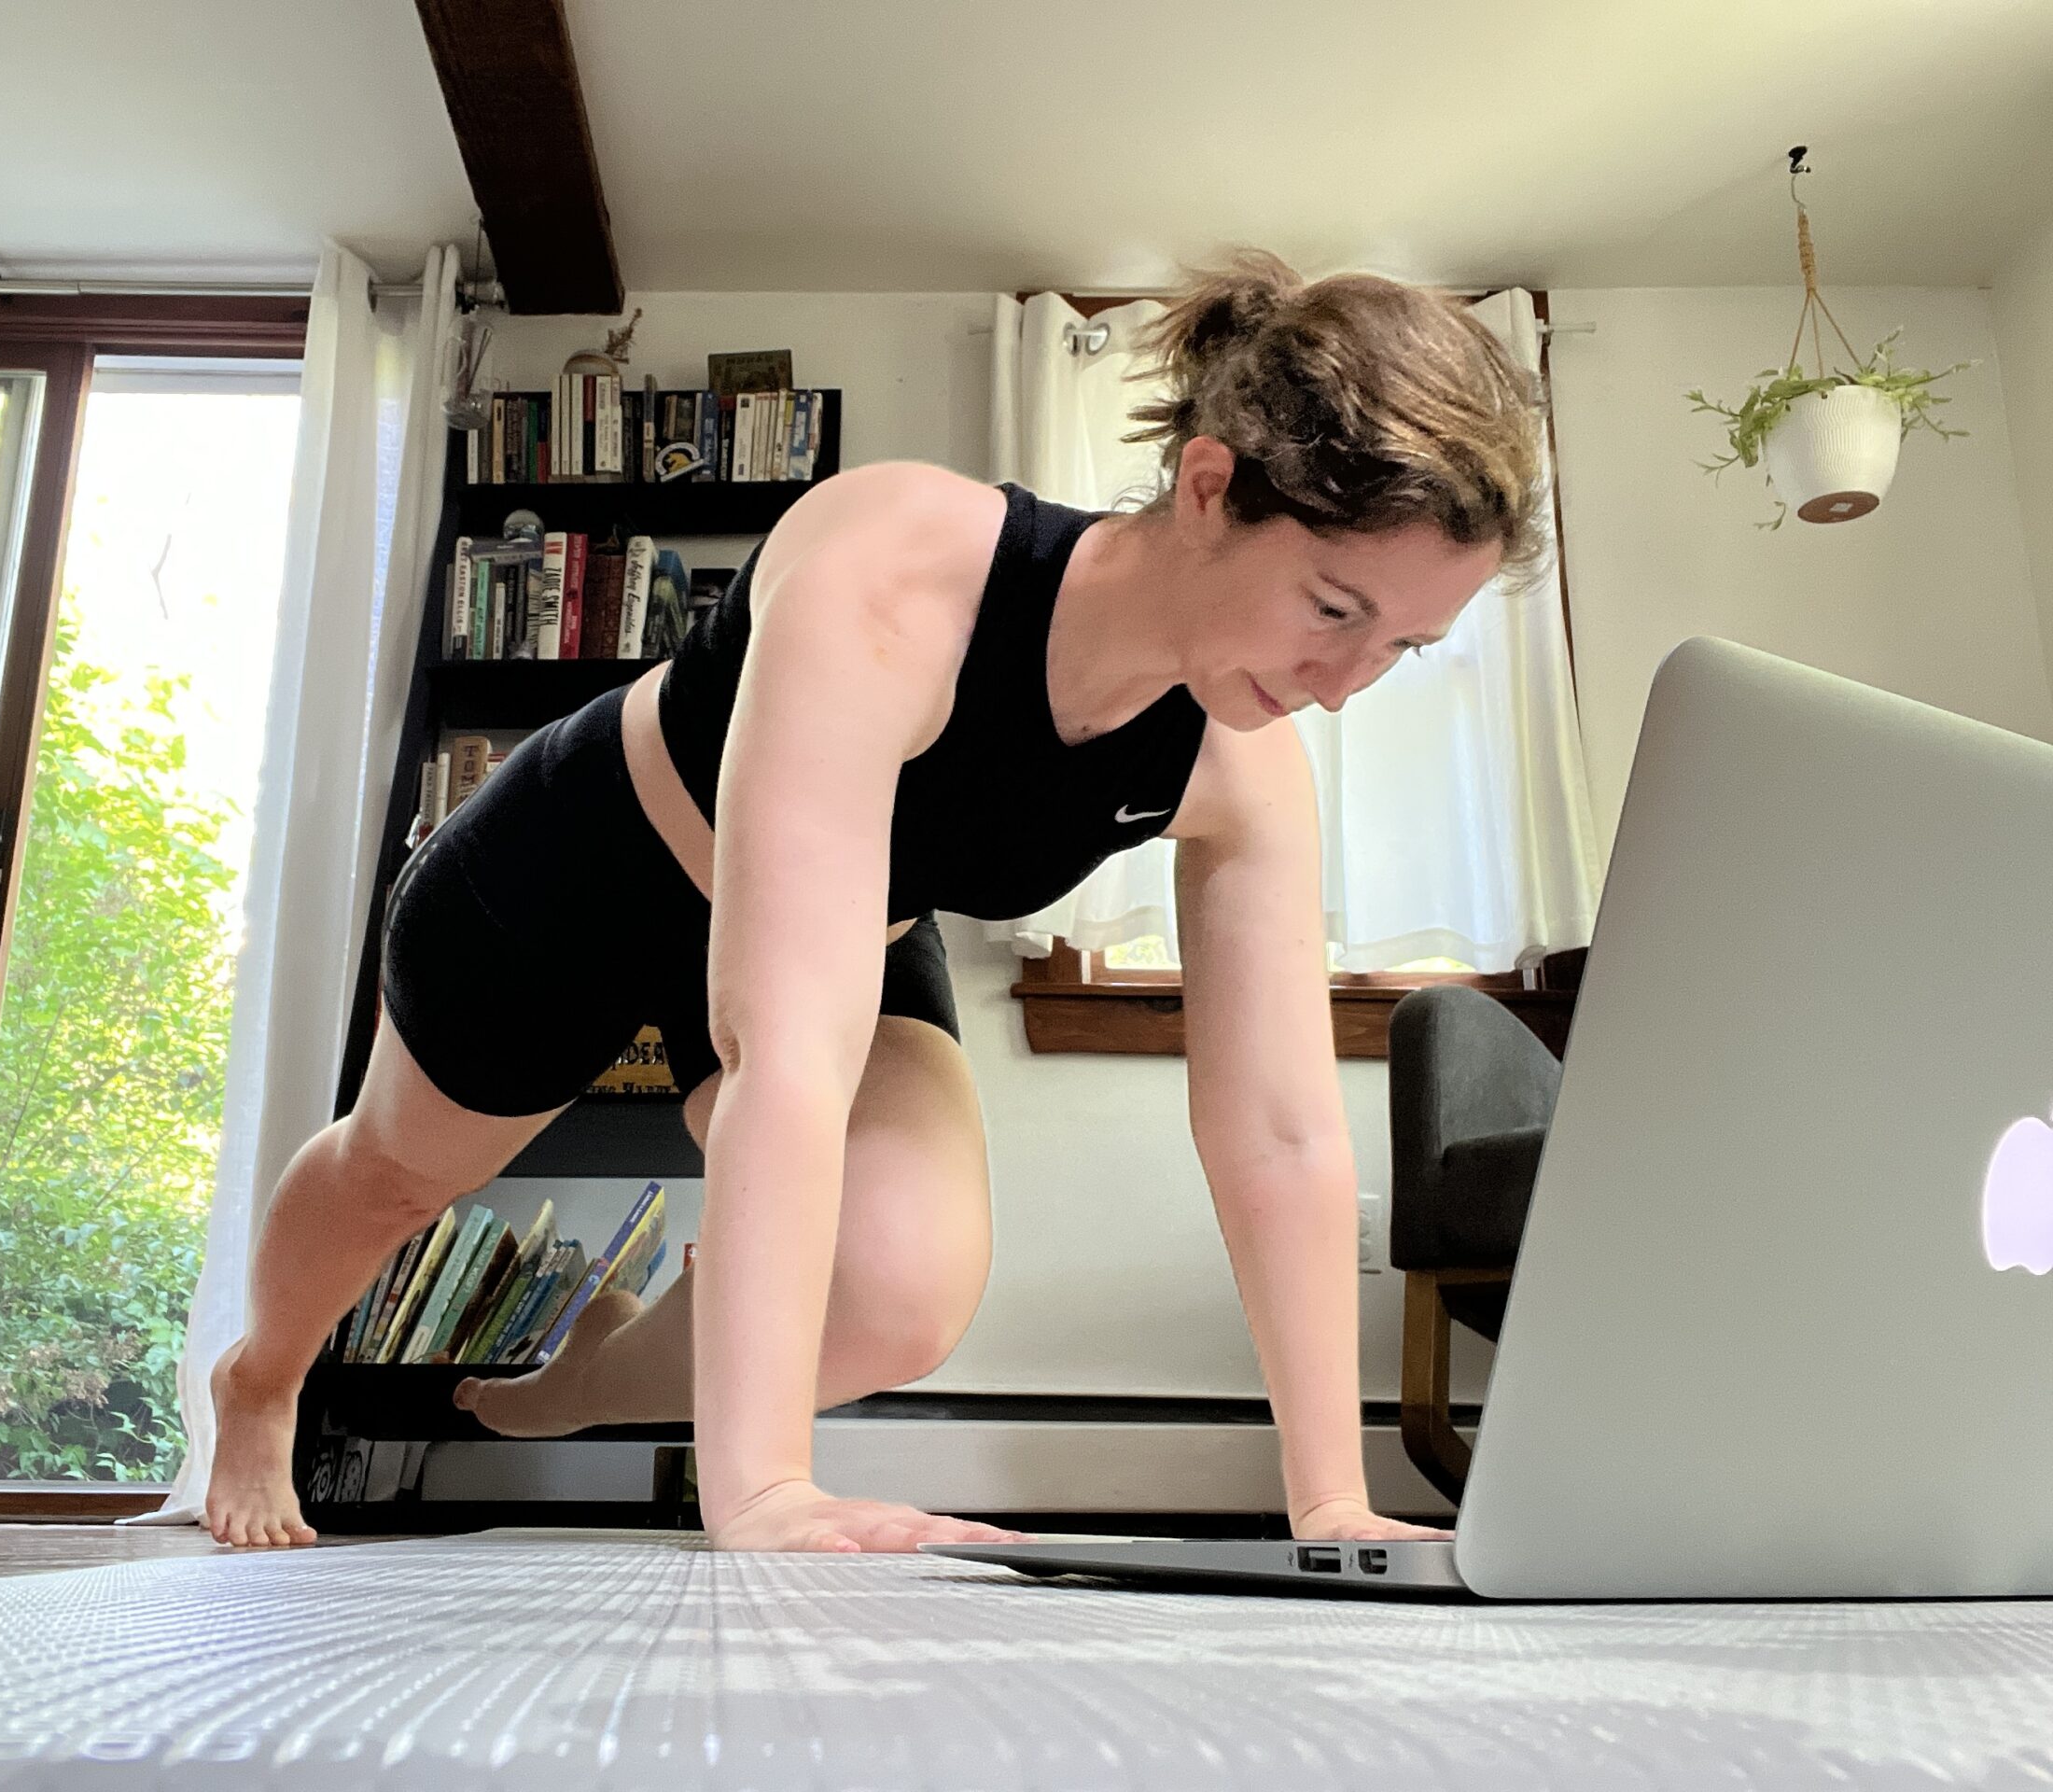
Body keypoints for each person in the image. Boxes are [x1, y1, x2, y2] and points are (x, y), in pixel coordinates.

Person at [205, 249, 1546, 1553]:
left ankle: (589, 1378)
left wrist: (1333, 1504)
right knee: (396, 1174)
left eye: (1403, 649)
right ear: (1209, 488)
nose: (1342, 681)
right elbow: (786, 1048)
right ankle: (259, 1381)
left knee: (901, 1289)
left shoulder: (1242, 765)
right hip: (577, 877)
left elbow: (1283, 1138)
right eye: (1332, 607)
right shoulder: (900, 565)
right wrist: (765, 1489)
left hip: (859, 931)